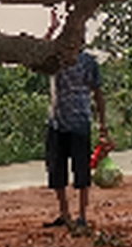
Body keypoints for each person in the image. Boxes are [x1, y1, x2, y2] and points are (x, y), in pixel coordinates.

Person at [46, 45, 109, 231]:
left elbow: (98, 93)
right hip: (56, 121)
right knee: (56, 169)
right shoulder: (55, 59)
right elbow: (38, 54)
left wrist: (102, 123)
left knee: (81, 170)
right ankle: (64, 214)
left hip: (80, 122)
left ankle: (82, 216)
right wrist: (50, 30)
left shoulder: (88, 62)